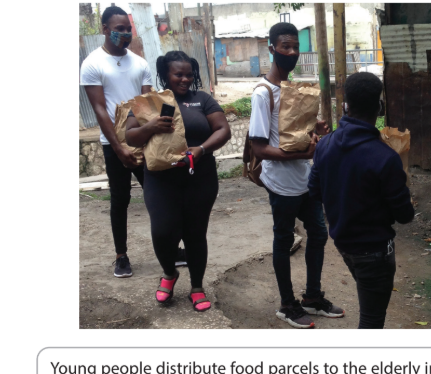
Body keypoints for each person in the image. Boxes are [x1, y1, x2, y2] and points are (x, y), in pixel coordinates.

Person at [248, 22, 343, 328]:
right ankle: (287, 305)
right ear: (272, 47)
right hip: (281, 183)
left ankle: (312, 298)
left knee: (317, 233)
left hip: (305, 179)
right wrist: (303, 154)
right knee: (283, 238)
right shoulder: (263, 94)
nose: (291, 52)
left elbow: (297, 133)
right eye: (285, 46)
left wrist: (316, 132)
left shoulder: (295, 89)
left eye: (295, 47)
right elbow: (260, 147)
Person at [125, 51, 230, 312]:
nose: (185, 79)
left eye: (188, 74)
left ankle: (197, 287)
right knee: (163, 232)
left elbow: (223, 130)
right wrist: (150, 127)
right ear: (165, 75)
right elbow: (130, 137)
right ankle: (170, 274)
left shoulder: (202, 100)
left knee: (196, 233)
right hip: (161, 180)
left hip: (200, 178)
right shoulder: (148, 102)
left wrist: (201, 149)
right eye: (178, 74)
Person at [308, 73, 415, 329]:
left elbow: (314, 191)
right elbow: (404, 215)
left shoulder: (325, 145)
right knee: (371, 320)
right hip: (375, 251)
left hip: (344, 244)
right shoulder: (385, 157)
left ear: (345, 105)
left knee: (369, 309)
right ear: (379, 107)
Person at [81, 6, 160, 278]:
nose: (125, 33)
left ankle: (170, 249)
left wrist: (144, 138)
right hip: (113, 143)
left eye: (128, 28)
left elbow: (146, 105)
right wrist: (118, 147)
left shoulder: (140, 63)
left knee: (158, 195)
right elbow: (100, 109)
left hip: (142, 140)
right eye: (119, 29)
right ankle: (121, 256)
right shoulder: (93, 63)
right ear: (105, 29)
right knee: (120, 199)